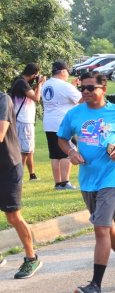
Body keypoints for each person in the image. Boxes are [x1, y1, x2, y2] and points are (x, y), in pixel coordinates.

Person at [57, 73, 115, 293]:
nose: (84, 92)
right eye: (82, 88)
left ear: (103, 89)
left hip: (111, 177)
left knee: (101, 228)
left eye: (90, 88)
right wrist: (71, 152)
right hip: (87, 179)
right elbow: (62, 138)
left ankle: (95, 285)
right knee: (107, 227)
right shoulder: (74, 114)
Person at [0, 89, 42, 278]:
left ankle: (31, 258)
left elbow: (0, 134)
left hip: (9, 166)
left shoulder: (3, 100)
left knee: (13, 217)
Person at [41, 60, 82, 190]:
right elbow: (80, 99)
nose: (68, 75)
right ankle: (65, 182)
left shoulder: (46, 85)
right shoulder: (65, 86)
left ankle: (58, 183)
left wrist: (72, 86)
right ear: (63, 71)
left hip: (49, 122)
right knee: (67, 152)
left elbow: (61, 99)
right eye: (67, 72)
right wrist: (74, 87)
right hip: (63, 123)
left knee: (55, 154)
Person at [9, 63, 46, 180]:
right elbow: (36, 98)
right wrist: (39, 84)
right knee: (25, 150)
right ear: (33, 74)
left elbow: (29, 94)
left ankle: (32, 175)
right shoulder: (22, 83)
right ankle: (18, 177)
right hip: (24, 120)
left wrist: (36, 85)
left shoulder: (20, 82)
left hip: (23, 120)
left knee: (29, 149)